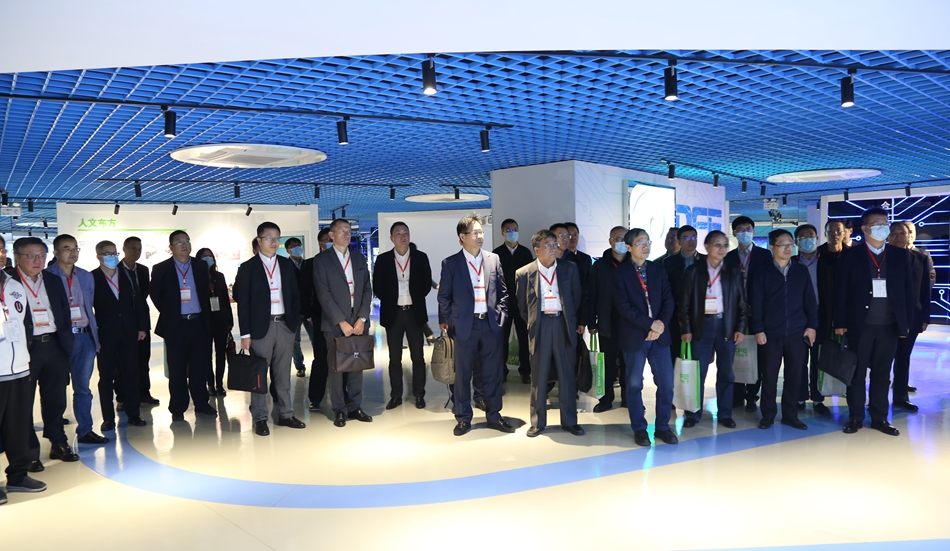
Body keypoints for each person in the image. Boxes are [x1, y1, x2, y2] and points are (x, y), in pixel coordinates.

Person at [834, 207, 916, 436]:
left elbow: (908, 292)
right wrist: (839, 322)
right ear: (865, 228)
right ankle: (856, 417)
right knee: (857, 374)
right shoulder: (850, 255)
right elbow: (840, 291)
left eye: (885, 223)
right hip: (860, 325)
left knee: (882, 374)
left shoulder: (900, 255)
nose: (883, 227)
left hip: (889, 325)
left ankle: (880, 418)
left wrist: (905, 323)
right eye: (878, 224)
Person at [438, 214, 512, 436]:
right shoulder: (451, 263)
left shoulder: (493, 259)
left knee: (492, 373)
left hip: (490, 324)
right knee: (463, 375)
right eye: (475, 232)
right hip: (464, 326)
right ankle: (463, 418)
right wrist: (452, 322)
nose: (480, 236)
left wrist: (500, 316)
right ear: (463, 237)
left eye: (481, 232)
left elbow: (503, 292)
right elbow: (444, 297)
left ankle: (494, 415)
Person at [11, 237, 78, 468]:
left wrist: (66, 342)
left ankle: (58, 443)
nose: (37, 260)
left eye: (41, 255)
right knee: (23, 402)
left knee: (56, 399)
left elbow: (64, 312)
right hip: (25, 348)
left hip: (54, 345)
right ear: (17, 256)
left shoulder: (52, 279)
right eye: (31, 255)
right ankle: (28, 452)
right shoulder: (8, 280)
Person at [236, 222, 305, 436]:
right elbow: (243, 303)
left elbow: (295, 296)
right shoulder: (248, 268)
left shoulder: (285, 265)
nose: (274, 242)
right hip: (260, 328)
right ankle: (260, 418)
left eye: (277, 238)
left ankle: (286, 414)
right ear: (259, 241)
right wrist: (245, 334)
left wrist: (293, 322)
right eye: (269, 238)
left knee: (283, 373)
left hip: (284, 325)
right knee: (259, 375)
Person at [516, 230, 584, 437]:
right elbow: (522, 306)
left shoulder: (569, 269)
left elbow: (576, 298)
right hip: (540, 326)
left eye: (555, 245)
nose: (554, 248)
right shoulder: (523, 273)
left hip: (563, 324)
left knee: (567, 375)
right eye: (548, 245)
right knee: (538, 375)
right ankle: (537, 422)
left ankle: (570, 421)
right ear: (537, 250)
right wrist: (535, 321)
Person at [613, 228, 677, 447]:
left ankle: (663, 427)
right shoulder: (620, 273)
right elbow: (623, 307)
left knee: (666, 384)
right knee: (633, 385)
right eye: (640, 242)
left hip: (659, 337)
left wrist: (659, 325)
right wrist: (650, 324)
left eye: (648, 241)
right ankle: (639, 428)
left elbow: (668, 300)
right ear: (628, 247)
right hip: (634, 337)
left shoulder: (658, 269)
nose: (646, 246)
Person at [749, 230, 817, 430]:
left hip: (797, 333)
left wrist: (811, 326)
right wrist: (758, 329)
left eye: (790, 244)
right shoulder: (762, 273)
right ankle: (768, 415)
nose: (788, 248)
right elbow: (756, 304)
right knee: (769, 377)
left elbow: (810, 301)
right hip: (771, 334)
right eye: (782, 244)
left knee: (794, 376)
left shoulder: (801, 271)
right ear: (772, 247)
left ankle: (790, 415)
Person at [678, 230, 746, 429]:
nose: (722, 248)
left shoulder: (733, 270)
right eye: (717, 244)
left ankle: (725, 413)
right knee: (698, 372)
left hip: (726, 325)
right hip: (702, 326)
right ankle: (693, 413)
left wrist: (740, 328)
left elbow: (742, 302)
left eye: (725, 245)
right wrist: (686, 328)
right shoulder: (694, 270)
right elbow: (683, 304)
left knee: (726, 373)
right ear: (706, 246)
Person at [150, 231, 217, 421]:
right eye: (179, 242)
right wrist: (170, 313)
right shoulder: (161, 268)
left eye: (187, 241)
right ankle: (178, 407)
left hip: (198, 323)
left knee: (199, 367)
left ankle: (201, 403)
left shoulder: (200, 266)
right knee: (177, 368)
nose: (184, 245)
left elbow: (204, 293)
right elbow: (155, 294)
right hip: (176, 325)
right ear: (171, 247)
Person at [313, 218, 373, 428]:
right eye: (342, 231)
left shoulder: (358, 258)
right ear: (331, 235)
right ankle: (339, 409)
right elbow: (323, 294)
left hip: (358, 322)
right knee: (336, 367)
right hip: (334, 324)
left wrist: (362, 318)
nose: (347, 234)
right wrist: (341, 321)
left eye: (349, 231)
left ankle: (355, 406)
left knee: (357, 365)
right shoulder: (321, 260)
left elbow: (367, 289)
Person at [0, 241, 48, 502]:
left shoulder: (14, 286)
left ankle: (18, 475)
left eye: (2, 250)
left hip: (18, 367)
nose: (1, 255)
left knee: (18, 426)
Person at [47, 234, 104, 444]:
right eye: (66, 248)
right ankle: (56, 437)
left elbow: (90, 306)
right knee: (56, 389)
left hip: (85, 337)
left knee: (83, 388)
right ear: (56, 252)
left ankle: (85, 430)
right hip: (60, 339)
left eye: (75, 248)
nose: (72, 253)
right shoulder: (47, 276)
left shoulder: (86, 276)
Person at [91, 240, 149, 431]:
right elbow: (87, 308)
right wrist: (93, 335)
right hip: (105, 334)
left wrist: (142, 327)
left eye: (114, 253)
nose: (113, 257)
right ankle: (108, 418)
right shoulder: (92, 277)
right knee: (106, 377)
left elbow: (139, 302)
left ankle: (134, 413)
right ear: (99, 256)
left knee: (132, 373)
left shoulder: (127, 275)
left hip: (129, 332)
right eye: (108, 253)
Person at [373, 222, 432, 410]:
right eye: (398, 234)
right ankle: (396, 395)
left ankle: (419, 394)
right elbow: (377, 287)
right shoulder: (383, 260)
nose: (403, 236)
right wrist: (393, 298)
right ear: (392, 238)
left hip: (414, 313)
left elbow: (426, 284)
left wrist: (413, 295)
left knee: (418, 357)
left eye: (406, 233)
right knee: (394, 358)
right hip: (394, 313)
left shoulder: (420, 257)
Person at [725, 216, 772, 412]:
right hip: (735, 314)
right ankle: (737, 395)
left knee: (757, 355)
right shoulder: (728, 257)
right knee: (735, 354)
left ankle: (752, 395)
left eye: (748, 229)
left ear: (754, 231)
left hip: (758, 313)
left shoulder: (765, 255)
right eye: (741, 230)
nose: (745, 233)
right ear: (734, 233)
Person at [888, 220, 934, 411]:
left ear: (909, 236)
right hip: (886, 316)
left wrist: (925, 317)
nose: (898, 237)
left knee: (903, 357)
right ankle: (877, 399)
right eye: (894, 233)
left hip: (912, 316)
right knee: (882, 360)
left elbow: (925, 290)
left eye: (902, 233)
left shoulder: (921, 257)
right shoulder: (882, 257)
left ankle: (901, 398)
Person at [811, 219, 851, 416]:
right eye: (831, 230)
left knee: (849, 356)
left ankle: (849, 393)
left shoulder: (853, 255)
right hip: (821, 316)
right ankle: (817, 398)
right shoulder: (817, 255)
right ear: (825, 233)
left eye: (838, 230)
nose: (835, 233)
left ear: (845, 233)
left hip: (848, 316)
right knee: (817, 357)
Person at [588, 225, 628, 412]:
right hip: (607, 322)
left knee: (629, 364)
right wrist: (591, 321)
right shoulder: (599, 266)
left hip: (630, 323)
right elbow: (592, 295)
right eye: (617, 239)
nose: (621, 243)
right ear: (611, 241)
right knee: (608, 364)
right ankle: (606, 399)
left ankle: (629, 398)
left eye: (624, 239)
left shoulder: (633, 263)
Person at [492, 219, 533, 383]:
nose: (512, 233)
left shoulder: (525, 253)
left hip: (522, 302)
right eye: (509, 230)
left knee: (524, 337)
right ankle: (501, 370)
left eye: (515, 229)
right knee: (501, 338)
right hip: (503, 303)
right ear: (502, 233)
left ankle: (525, 370)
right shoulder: (496, 254)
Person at [119, 236, 159, 406]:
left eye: (139, 249)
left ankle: (144, 393)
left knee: (143, 359)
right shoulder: (116, 270)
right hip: (123, 322)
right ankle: (122, 396)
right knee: (122, 363)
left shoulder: (143, 270)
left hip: (142, 319)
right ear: (124, 249)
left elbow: (144, 294)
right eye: (133, 248)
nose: (137, 252)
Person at [664, 225, 705, 366]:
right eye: (686, 238)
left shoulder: (705, 261)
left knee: (699, 358)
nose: (691, 241)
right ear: (679, 241)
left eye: (694, 237)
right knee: (675, 356)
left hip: (700, 315)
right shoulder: (669, 262)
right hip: (676, 315)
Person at [195, 248, 234, 397]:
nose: (207, 259)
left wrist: (229, 320)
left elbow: (225, 298)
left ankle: (219, 384)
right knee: (206, 355)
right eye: (204, 256)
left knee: (221, 353)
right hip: (204, 321)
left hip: (220, 320)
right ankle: (210, 384)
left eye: (209, 256)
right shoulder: (196, 276)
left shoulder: (219, 276)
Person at [792, 224, 821, 412]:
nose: (807, 240)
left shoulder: (825, 261)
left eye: (810, 236)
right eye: (802, 237)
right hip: (798, 316)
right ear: (796, 242)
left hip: (821, 314)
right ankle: (800, 397)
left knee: (819, 359)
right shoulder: (792, 262)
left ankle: (818, 398)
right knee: (799, 360)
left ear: (817, 238)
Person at [303, 228, 332, 412]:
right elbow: (305, 291)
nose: (329, 242)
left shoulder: (346, 261)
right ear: (320, 243)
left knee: (344, 356)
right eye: (326, 240)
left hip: (344, 318)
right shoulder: (310, 264)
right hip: (320, 317)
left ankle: (344, 394)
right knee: (321, 358)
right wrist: (308, 315)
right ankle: (315, 397)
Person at [284, 237, 315, 379]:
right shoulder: (285, 266)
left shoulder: (309, 264)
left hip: (309, 309)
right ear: (288, 250)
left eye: (299, 245)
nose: (297, 247)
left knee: (315, 338)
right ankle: (300, 366)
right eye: (293, 246)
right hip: (293, 311)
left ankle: (320, 364)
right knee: (294, 341)